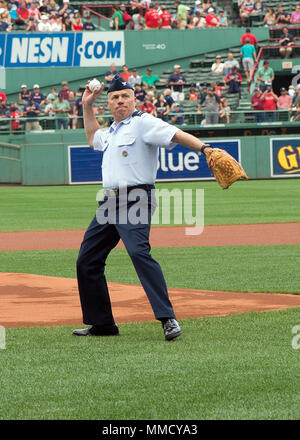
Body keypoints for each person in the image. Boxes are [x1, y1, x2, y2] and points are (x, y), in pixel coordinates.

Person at [72, 74, 213, 340]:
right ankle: (102, 324)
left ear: (134, 99)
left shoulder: (144, 123)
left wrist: (205, 148)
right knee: (87, 260)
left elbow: (176, 134)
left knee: (138, 252)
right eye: (114, 97)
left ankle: (168, 319)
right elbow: (93, 138)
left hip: (137, 197)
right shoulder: (112, 131)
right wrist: (87, 106)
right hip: (109, 201)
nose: (120, 100)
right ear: (109, 104)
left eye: (125, 96)